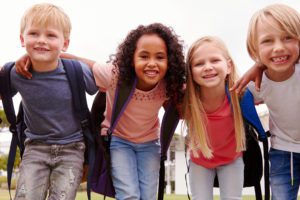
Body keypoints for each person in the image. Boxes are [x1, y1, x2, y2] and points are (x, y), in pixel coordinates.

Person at [16, 23, 186, 200]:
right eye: (144, 56)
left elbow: (185, 108)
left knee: (148, 196)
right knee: (128, 194)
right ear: (132, 58)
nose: (152, 63)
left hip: (150, 144)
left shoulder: (169, 85)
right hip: (120, 143)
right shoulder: (114, 75)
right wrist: (32, 57)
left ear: (170, 61)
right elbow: (75, 60)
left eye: (160, 57)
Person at [7, 3, 98, 200]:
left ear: (65, 43)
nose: (41, 41)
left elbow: (107, 78)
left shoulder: (76, 71)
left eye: (51, 35)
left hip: (72, 149)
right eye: (33, 34)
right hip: (35, 148)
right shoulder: (17, 74)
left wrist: (72, 57)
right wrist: (14, 63)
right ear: (22, 39)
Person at [182, 36, 264, 200]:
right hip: (199, 161)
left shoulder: (240, 94)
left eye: (214, 60)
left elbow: (276, 79)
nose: (207, 67)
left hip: (232, 159)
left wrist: (260, 65)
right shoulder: (186, 99)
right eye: (199, 64)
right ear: (190, 72)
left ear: (228, 66)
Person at [232, 4, 300, 200]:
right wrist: (260, 65)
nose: (279, 47)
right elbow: (236, 97)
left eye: (288, 37)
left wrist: (259, 64)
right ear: (255, 49)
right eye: (267, 41)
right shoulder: (257, 85)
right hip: (282, 152)